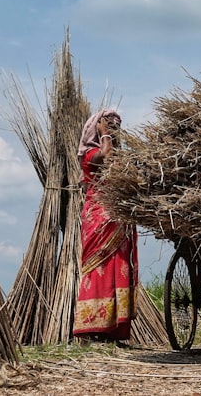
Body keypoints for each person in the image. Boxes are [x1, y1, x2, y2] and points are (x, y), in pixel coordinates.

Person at [72, 108, 138, 343]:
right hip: (99, 220)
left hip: (118, 221)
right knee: (99, 270)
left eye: (116, 125)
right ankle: (95, 327)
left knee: (117, 268)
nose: (113, 128)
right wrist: (104, 135)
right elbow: (106, 156)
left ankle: (114, 330)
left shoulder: (118, 156)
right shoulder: (90, 154)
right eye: (108, 123)